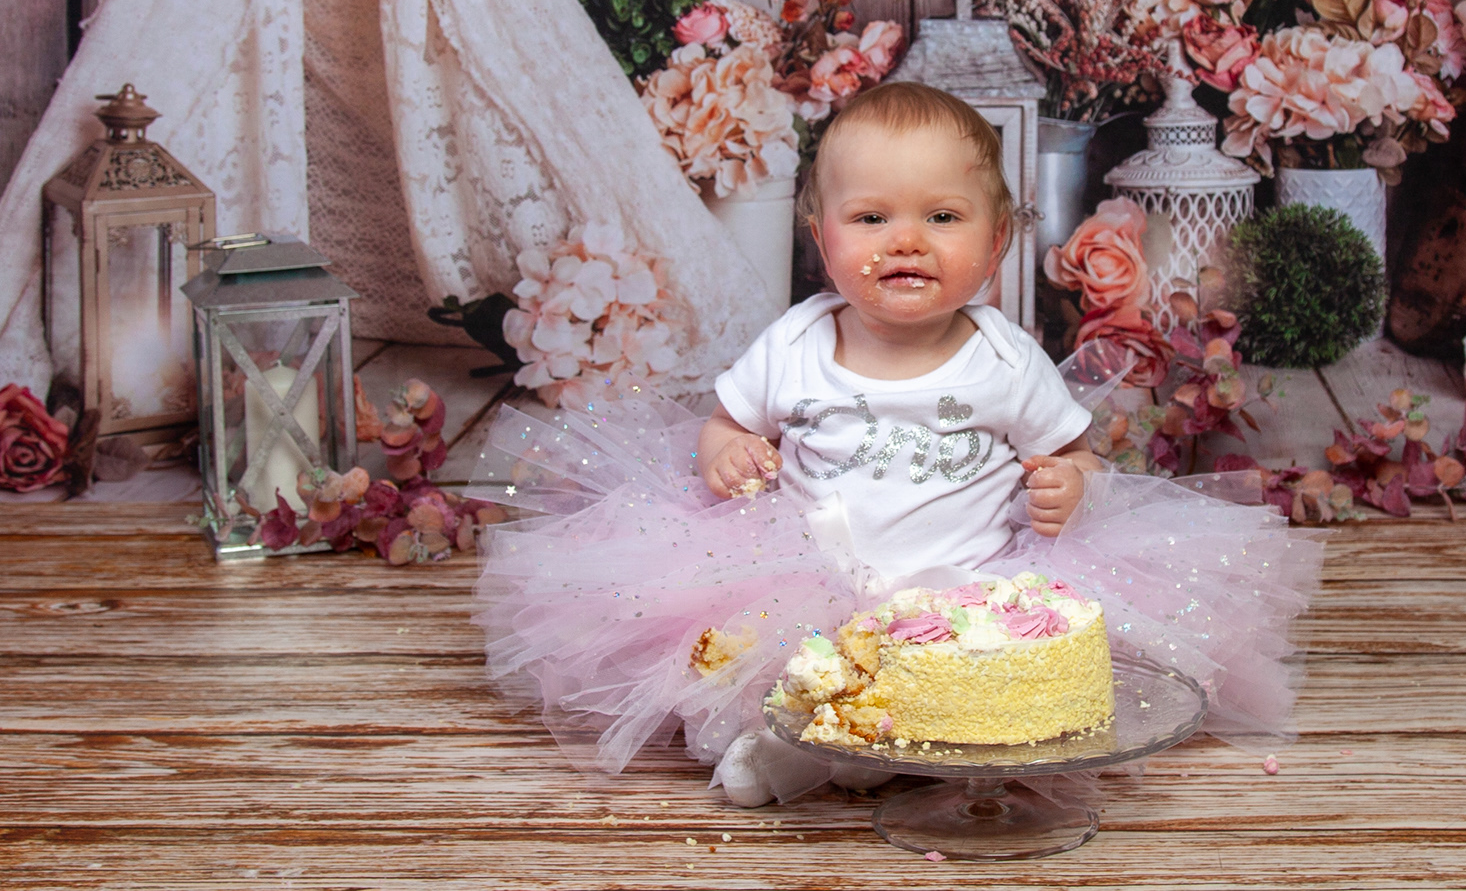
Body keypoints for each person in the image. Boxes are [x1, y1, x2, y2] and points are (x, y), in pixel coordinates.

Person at [468, 82, 1321, 805]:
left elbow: (1075, 457)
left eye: (942, 217)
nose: (905, 240)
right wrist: (725, 453)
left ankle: (923, 751)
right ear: (822, 237)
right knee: (775, 668)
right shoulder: (796, 343)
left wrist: (1073, 487)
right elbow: (725, 423)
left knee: (1000, 692)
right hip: (812, 585)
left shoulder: (1004, 359)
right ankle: (800, 746)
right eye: (871, 216)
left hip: (970, 592)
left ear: (995, 242)